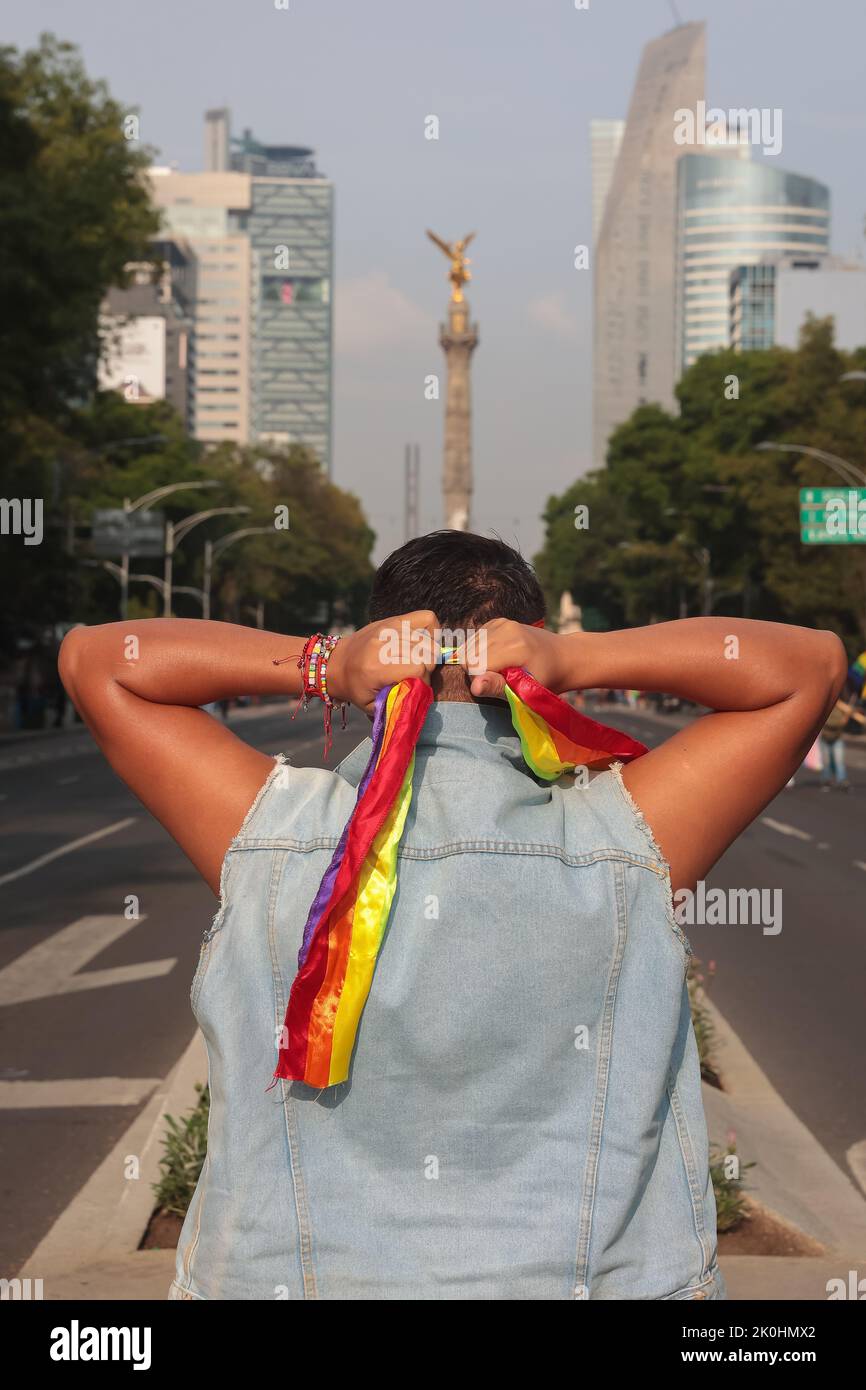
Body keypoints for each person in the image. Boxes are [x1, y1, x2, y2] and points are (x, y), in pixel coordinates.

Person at [58, 531, 846, 1302]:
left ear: (381, 635)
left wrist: (328, 663)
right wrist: (578, 658)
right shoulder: (629, 833)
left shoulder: (270, 827)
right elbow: (811, 665)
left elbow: (96, 660)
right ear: (528, 649)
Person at [818, 698, 850, 791]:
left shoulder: (841, 708)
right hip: (825, 738)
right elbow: (830, 723)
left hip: (837, 738)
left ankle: (842, 780)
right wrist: (842, 721)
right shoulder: (825, 708)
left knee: (839, 761)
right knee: (826, 761)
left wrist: (847, 715)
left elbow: (843, 722)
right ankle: (826, 780)